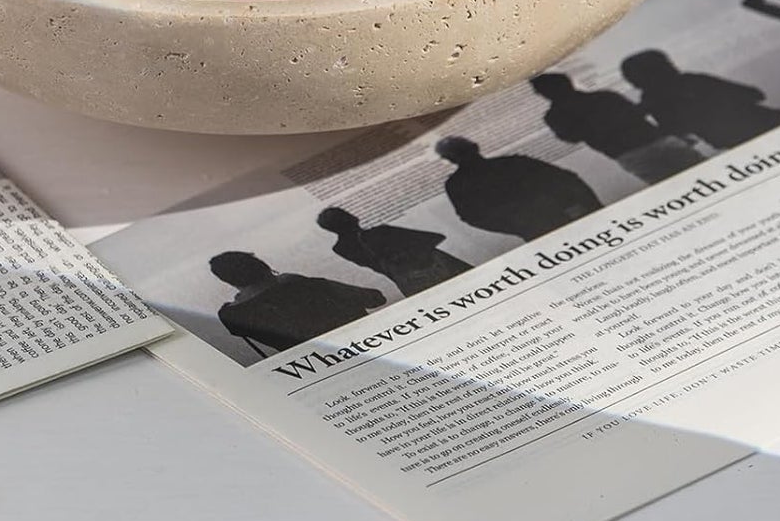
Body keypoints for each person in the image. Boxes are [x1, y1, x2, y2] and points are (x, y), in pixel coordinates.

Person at [531, 72, 706, 184]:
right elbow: (638, 113)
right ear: (568, 82)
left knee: (670, 188)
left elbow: (571, 138)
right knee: (706, 173)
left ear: (542, 94)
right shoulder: (604, 96)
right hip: (656, 140)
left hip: (629, 154)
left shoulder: (555, 117)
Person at [209, 251, 386, 357]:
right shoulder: (302, 285)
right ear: (263, 266)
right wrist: (303, 281)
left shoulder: (230, 316)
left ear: (227, 280)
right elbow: (375, 298)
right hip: (369, 347)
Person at [434, 136, 601, 240]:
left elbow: (564, 179)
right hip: (546, 227)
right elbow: (566, 179)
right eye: (460, 152)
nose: (465, 156)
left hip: (557, 222)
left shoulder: (514, 162)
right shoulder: (513, 162)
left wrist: (519, 227)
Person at [619, 50, 780, 150]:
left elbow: (680, 134)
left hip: (741, 144)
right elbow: (755, 94)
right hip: (772, 124)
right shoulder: (692, 80)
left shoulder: (653, 102)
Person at [315, 207, 472, 296]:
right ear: (349, 218)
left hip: (409, 284)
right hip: (437, 270)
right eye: (346, 214)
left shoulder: (341, 249)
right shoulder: (380, 232)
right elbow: (434, 237)